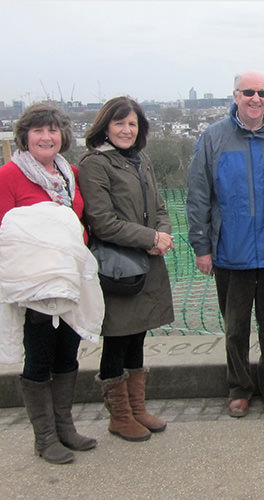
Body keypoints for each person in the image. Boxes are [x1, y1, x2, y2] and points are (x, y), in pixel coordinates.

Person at [186, 70, 264, 418]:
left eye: (262, 93)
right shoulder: (213, 138)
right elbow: (198, 195)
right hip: (231, 253)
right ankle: (239, 387)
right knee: (235, 328)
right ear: (235, 95)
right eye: (248, 92)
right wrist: (201, 246)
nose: (255, 98)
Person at [0, 104, 98, 464]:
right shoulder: (9, 176)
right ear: (25, 136)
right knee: (38, 357)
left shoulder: (69, 173)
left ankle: (65, 427)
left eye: (53, 131)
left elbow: (79, 220)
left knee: (67, 353)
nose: (46, 137)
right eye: (39, 131)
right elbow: (4, 231)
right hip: (33, 287)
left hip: (70, 281)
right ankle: (44, 437)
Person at [79, 97, 174, 441]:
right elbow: (102, 221)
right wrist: (149, 237)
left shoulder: (141, 159)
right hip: (117, 268)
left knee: (138, 334)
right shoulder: (95, 164)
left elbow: (159, 206)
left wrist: (161, 234)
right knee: (117, 339)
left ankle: (137, 408)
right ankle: (119, 416)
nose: (126, 130)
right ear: (105, 125)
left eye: (132, 124)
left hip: (146, 262)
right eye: (119, 123)